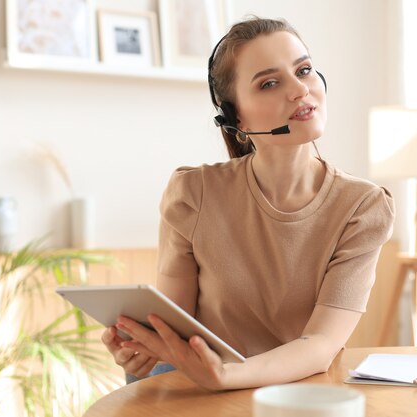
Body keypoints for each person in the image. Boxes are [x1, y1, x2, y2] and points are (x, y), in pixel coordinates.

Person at [101, 16, 395, 391]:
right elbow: (174, 323)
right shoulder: (192, 193)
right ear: (236, 116)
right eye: (269, 83)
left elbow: (321, 345)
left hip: (296, 394)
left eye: (303, 70)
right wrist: (144, 348)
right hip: (200, 389)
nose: (299, 90)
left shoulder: (363, 208)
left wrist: (227, 376)